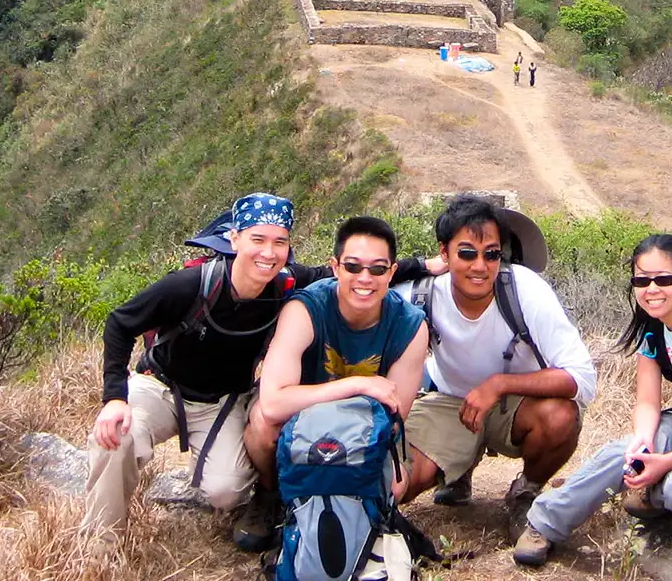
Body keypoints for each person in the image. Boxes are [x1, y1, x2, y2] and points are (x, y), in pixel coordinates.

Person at [84, 193, 430, 550]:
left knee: (226, 489)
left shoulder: (286, 285)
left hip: (221, 401)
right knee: (116, 435)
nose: (268, 253)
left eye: (279, 242)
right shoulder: (191, 284)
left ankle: (300, 504)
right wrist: (114, 397)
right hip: (159, 387)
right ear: (234, 239)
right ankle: (100, 546)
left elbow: (360, 274)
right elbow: (120, 322)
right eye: (257, 240)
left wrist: (430, 263)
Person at [513, 235, 672, 566]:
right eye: (641, 280)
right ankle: (543, 524)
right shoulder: (654, 329)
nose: (652, 289)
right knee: (626, 452)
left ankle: (649, 486)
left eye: (664, 279)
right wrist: (645, 443)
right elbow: (648, 403)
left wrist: (669, 461)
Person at [400, 195, 597, 529]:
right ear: (443, 253)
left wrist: (500, 384)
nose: (480, 266)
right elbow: (356, 289)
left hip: (516, 409)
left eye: (491, 254)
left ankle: (525, 493)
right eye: (466, 253)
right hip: (450, 402)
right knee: (400, 481)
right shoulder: (420, 293)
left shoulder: (524, 289)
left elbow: (583, 379)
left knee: (560, 417)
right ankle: (457, 469)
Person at [243, 216, 430, 498]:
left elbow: (392, 421)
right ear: (335, 267)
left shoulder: (410, 325)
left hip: (361, 426)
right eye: (352, 266)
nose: (364, 278)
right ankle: (275, 497)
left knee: (396, 484)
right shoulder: (306, 309)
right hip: (298, 422)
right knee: (262, 426)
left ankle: (357, 511)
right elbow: (272, 405)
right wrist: (357, 385)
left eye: (377, 269)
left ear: (391, 273)